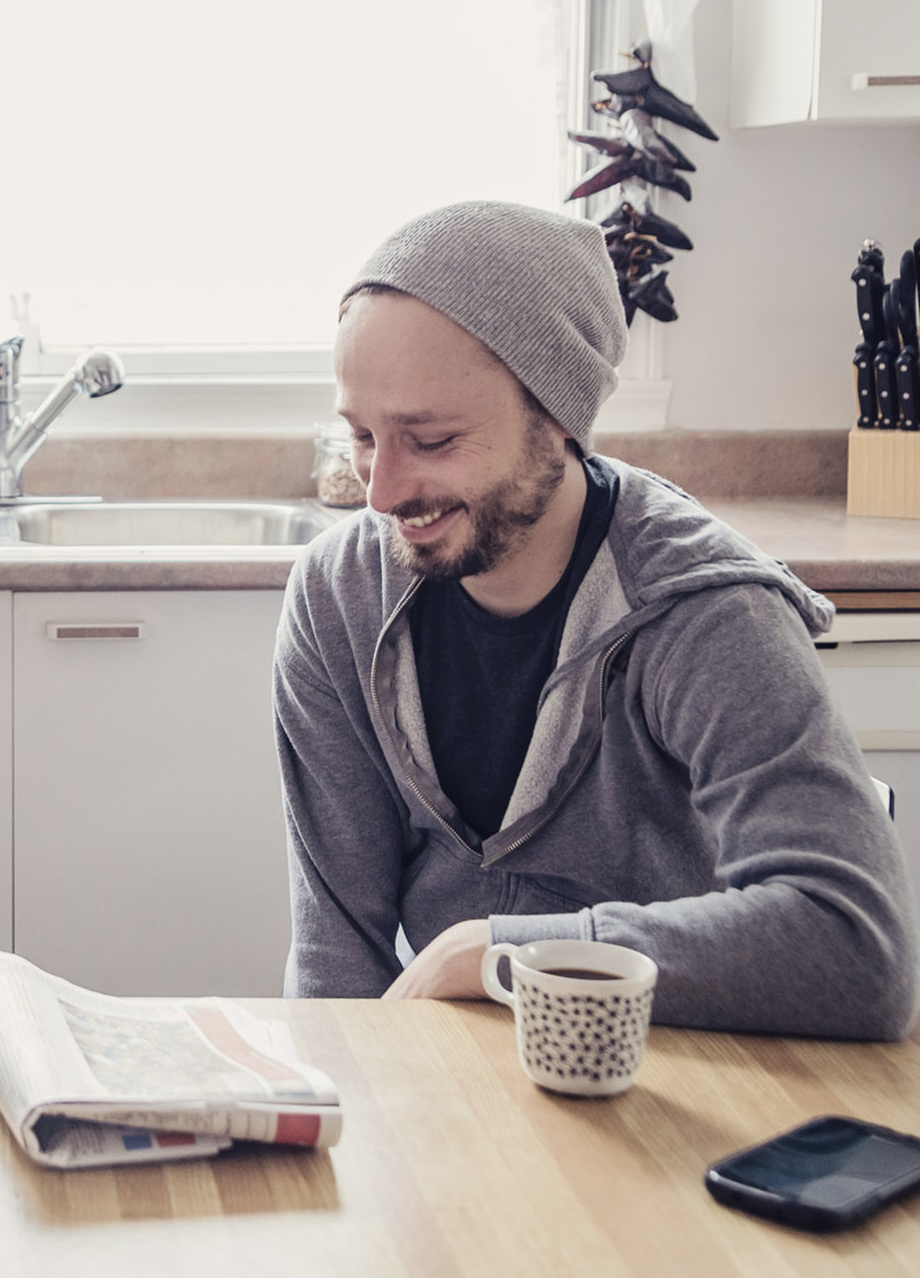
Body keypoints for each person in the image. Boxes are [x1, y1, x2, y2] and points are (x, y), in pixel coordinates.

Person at [276, 199, 916, 1039]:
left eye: (429, 440)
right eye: (361, 434)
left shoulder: (705, 610)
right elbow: (336, 956)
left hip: (669, 1080)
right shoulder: (340, 594)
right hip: (445, 1078)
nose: (381, 492)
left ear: (557, 420)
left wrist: (505, 953)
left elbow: (858, 948)